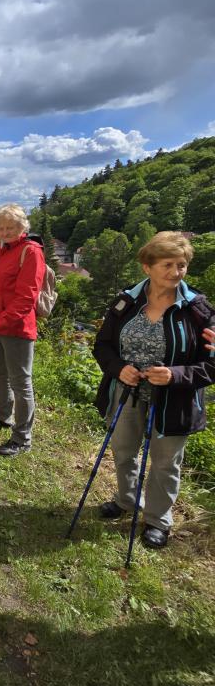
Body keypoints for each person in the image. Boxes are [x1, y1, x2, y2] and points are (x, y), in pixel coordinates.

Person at [93, 232, 215, 549]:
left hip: (175, 399)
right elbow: (102, 345)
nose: (176, 272)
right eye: (167, 265)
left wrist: (175, 374)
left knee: (165, 463)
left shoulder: (198, 310)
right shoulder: (126, 302)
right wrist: (118, 368)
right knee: (123, 451)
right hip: (127, 392)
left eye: (181, 265)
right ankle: (127, 500)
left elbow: (211, 364)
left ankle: (158, 520)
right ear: (147, 267)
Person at [0, 204, 45, 455]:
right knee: (0, 375)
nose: (5, 232)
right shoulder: (2, 252)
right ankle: (3, 416)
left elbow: (26, 299)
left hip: (17, 329)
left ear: (23, 227)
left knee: (21, 383)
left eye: (11, 227)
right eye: (1, 228)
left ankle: (22, 438)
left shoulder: (30, 252)